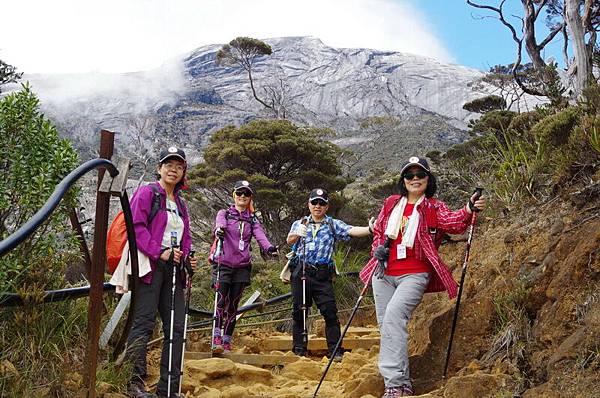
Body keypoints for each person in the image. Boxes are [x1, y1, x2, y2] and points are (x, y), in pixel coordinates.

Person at [359, 156, 486, 398]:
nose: (415, 179)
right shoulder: (390, 203)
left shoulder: (433, 207)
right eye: (409, 175)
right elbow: (379, 232)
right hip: (383, 273)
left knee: (394, 317)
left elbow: (455, 222)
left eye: (420, 175)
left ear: (428, 179)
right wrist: (377, 248)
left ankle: (395, 384)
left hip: (414, 274)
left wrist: (469, 208)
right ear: (403, 180)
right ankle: (399, 384)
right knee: (386, 325)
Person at [124, 146, 197, 398]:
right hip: (150, 267)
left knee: (177, 327)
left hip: (174, 271)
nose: (173, 169)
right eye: (169, 164)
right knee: (143, 322)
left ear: (183, 172)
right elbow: (136, 227)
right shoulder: (147, 193)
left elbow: (185, 237)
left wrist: (186, 257)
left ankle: (168, 388)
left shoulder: (181, 204)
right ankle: (133, 382)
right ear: (159, 168)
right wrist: (160, 251)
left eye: (179, 166)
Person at [286, 188, 373, 361]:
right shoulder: (300, 222)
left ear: (327, 206)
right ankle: (299, 350)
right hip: (301, 270)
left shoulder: (332, 224)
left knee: (330, 311)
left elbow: (350, 230)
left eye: (322, 203)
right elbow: (289, 240)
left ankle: (335, 350)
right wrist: (297, 234)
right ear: (309, 204)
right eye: (314, 202)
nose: (318, 206)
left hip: (322, 274)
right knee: (299, 311)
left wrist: (370, 229)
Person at [210, 180, 278, 353]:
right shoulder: (224, 213)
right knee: (221, 300)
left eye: (246, 194)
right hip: (223, 264)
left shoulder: (252, 219)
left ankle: (227, 340)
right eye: (239, 193)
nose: (242, 196)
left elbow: (260, 235)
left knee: (233, 304)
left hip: (242, 267)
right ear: (234, 195)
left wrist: (269, 248)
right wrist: (220, 230)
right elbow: (220, 225)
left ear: (250, 198)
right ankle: (216, 337)